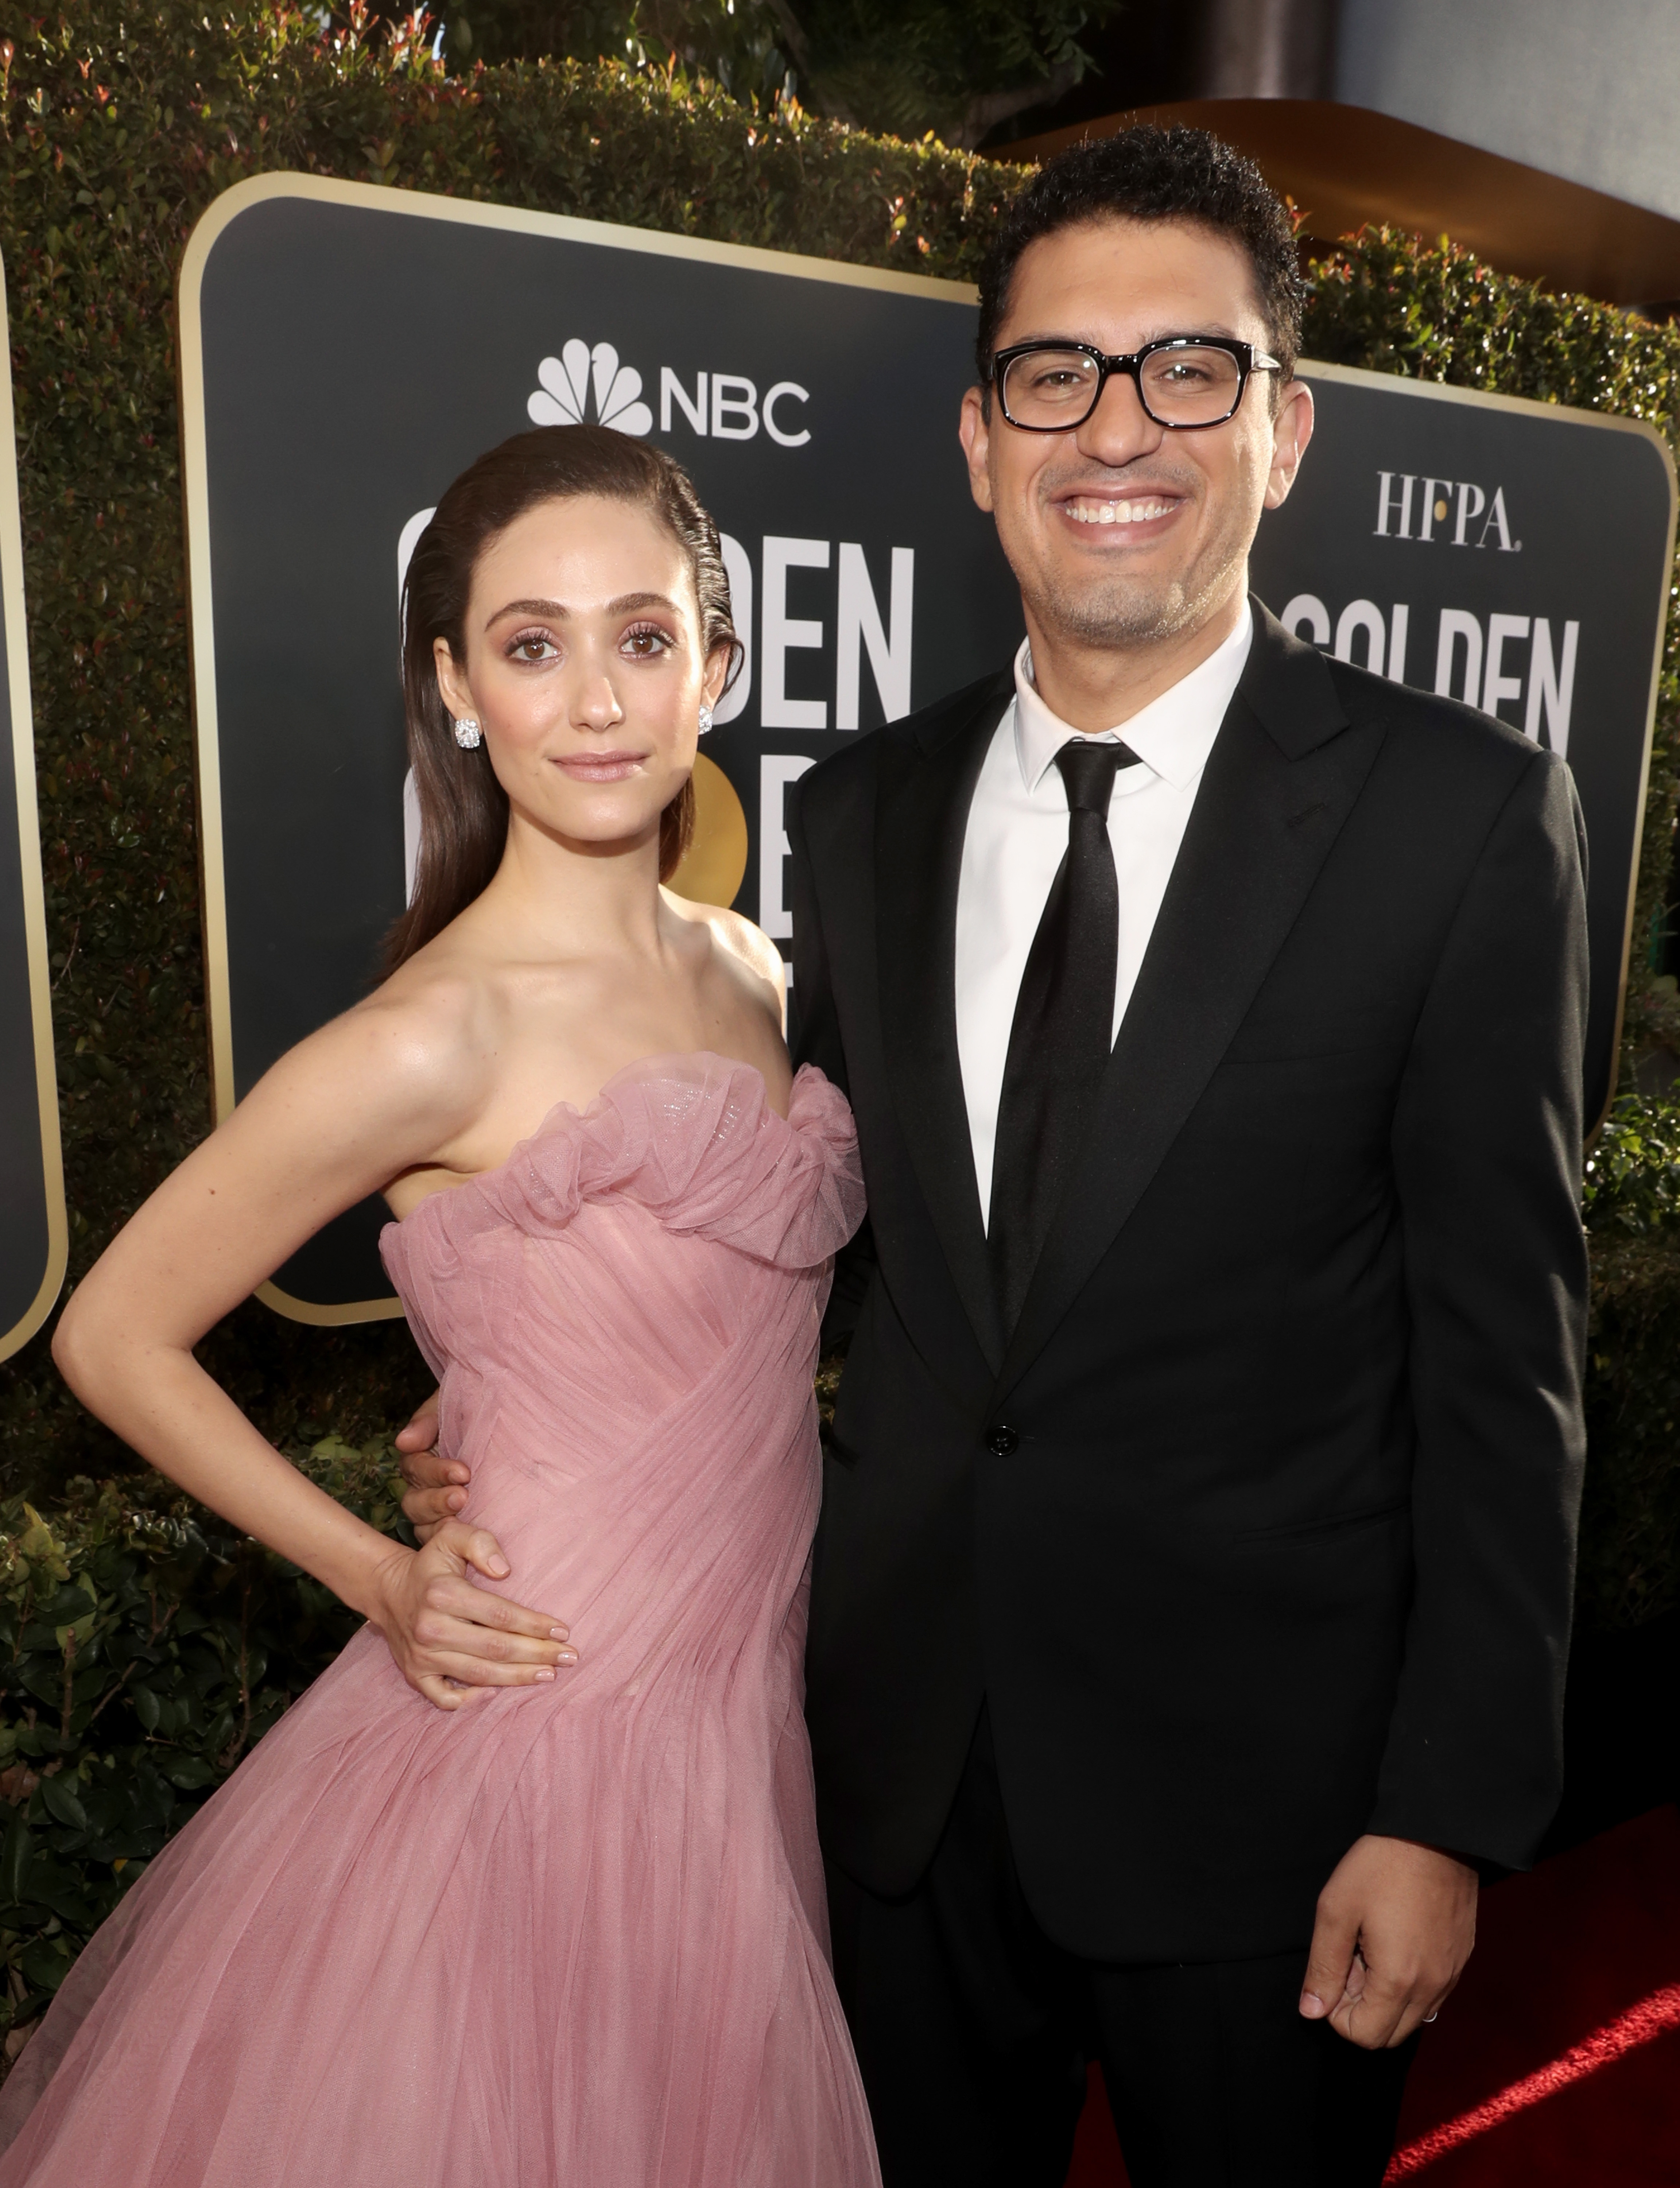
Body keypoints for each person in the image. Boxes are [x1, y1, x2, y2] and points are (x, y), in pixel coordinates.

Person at [400, 129, 1589, 2186]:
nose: (1115, 429)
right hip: (897, 1795)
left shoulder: (1461, 819)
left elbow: (1508, 1371)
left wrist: (1448, 1809)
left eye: (1186, 371)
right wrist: (515, 1413)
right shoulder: (857, 813)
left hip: (1274, 1827)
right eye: (1057, 374)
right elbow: (825, 1242)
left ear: (1285, 430)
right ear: (977, 438)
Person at [1, 426, 878, 2187]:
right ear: (458, 685)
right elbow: (111, 1333)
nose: (598, 699)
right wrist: (378, 1571)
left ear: (719, 661)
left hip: (742, 1712)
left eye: (640, 637)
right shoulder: (432, 1034)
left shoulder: (759, 971)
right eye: (532, 644)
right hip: (539, 1728)